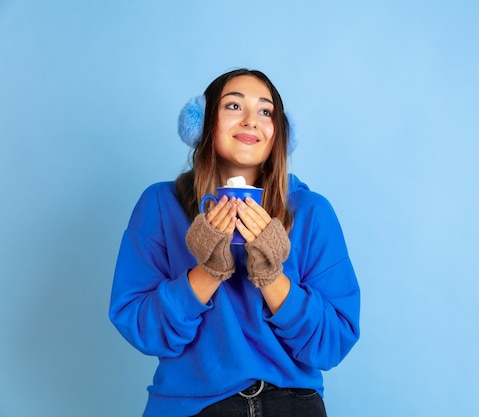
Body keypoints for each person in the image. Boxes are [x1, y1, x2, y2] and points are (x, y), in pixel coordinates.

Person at [109, 68, 360, 417]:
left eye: (265, 111)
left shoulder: (311, 211)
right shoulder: (159, 205)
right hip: (193, 407)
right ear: (201, 124)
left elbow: (332, 342)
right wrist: (208, 271)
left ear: (279, 134)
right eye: (233, 106)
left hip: (291, 404)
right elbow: (139, 325)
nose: (250, 121)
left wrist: (272, 276)